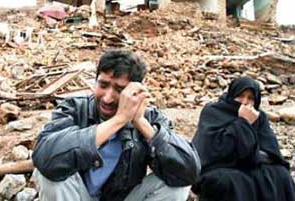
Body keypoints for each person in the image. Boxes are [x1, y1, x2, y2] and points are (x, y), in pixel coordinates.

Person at [32, 50, 201, 201]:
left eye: (120, 90)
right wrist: (119, 120)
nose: (107, 98)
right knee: (50, 173)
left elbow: (189, 172)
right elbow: (45, 158)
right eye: (103, 85)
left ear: (136, 91)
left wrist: (140, 122)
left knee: (177, 182)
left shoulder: (151, 118)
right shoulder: (75, 108)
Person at [191, 76, 295, 201]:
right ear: (232, 95)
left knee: (281, 175)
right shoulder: (213, 112)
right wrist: (243, 122)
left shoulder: (258, 117)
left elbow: (271, 151)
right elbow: (214, 150)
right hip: (220, 166)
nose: (244, 102)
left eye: (250, 98)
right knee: (224, 182)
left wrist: (255, 156)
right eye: (240, 96)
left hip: (251, 165)